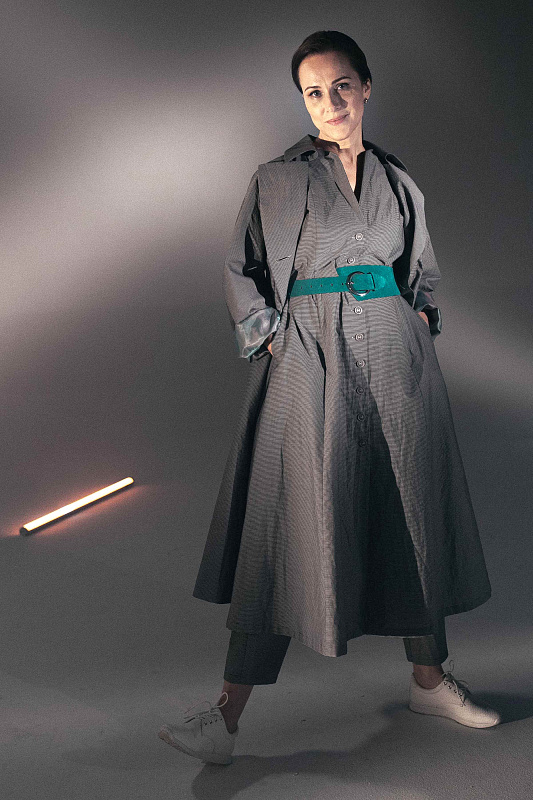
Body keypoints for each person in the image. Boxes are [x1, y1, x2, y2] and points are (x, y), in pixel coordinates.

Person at [159, 30, 500, 765]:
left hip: (396, 361)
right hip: (309, 358)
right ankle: (225, 716)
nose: (329, 102)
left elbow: (422, 267)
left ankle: (428, 680)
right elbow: (241, 265)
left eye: (341, 85)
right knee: (285, 525)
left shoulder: (397, 180)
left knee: (412, 510)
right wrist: (267, 335)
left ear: (365, 87)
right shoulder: (277, 179)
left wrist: (418, 318)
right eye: (313, 91)